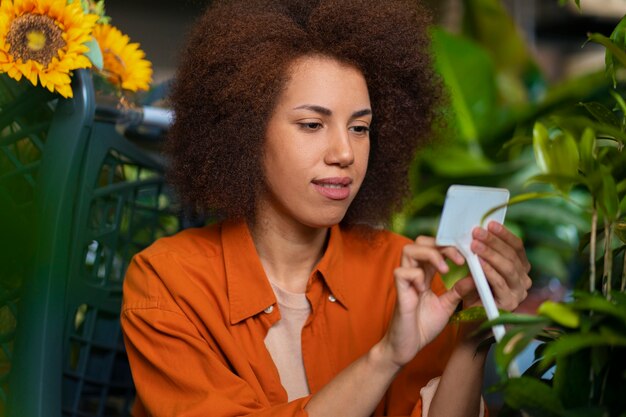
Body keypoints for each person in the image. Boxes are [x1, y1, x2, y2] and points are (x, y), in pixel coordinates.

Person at [120, 0, 532, 416]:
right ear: (245, 131)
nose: (344, 153)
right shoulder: (168, 283)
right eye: (312, 125)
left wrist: (475, 333)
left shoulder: (403, 274)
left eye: (360, 128)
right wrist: (385, 355)